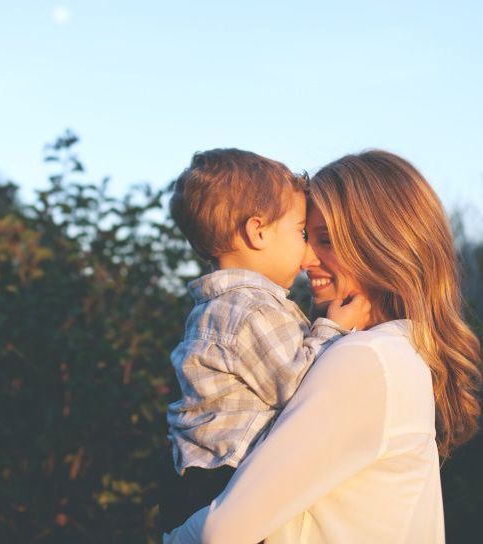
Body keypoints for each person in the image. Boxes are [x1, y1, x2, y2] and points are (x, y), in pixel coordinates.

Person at [166, 150, 481, 544]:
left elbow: (219, 531)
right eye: (304, 235)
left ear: (381, 244)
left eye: (325, 239)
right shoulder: (399, 353)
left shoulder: (366, 358)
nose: (305, 259)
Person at [160, 149, 371, 534]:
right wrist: (334, 328)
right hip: (222, 479)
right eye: (302, 232)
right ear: (258, 232)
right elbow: (301, 388)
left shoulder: (227, 305)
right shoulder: (249, 310)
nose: (308, 253)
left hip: (202, 480)